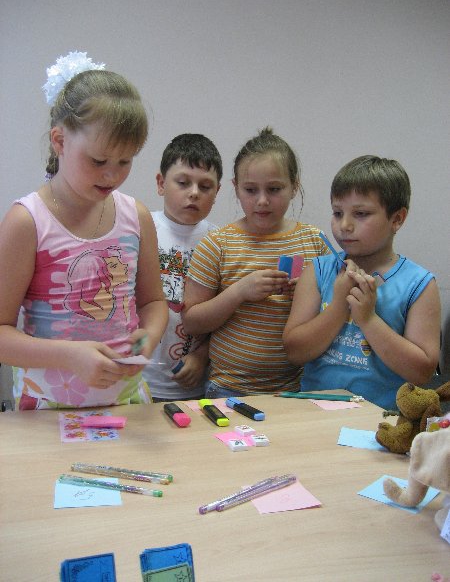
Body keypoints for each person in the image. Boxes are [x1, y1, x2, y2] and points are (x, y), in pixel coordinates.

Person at [0, 51, 168, 409]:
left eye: (125, 161)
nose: (112, 174)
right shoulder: (27, 221)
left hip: (125, 402)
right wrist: (70, 355)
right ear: (60, 141)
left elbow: (153, 302)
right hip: (48, 407)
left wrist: (149, 336)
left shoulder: (136, 216)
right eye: (98, 160)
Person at [283, 155, 441, 410]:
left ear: (397, 219)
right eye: (337, 213)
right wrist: (338, 306)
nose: (344, 225)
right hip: (314, 411)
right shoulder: (318, 270)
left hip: (385, 420)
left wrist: (368, 319)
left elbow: (422, 372)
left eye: (361, 214)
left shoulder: (419, 285)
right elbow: (294, 352)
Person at [181, 127, 329, 398]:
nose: (262, 201)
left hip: (297, 389)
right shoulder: (218, 243)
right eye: (250, 190)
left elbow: (335, 313)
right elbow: (191, 322)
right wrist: (239, 292)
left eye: (274, 189)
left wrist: (308, 296)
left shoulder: (315, 242)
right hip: (227, 388)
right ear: (236, 188)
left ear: (294, 187)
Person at [143, 133, 222, 401]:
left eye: (205, 186)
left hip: (194, 384)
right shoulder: (140, 229)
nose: (194, 193)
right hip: (137, 382)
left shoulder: (220, 241)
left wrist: (202, 356)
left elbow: (230, 319)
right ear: (161, 183)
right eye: (183, 182)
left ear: (217, 192)